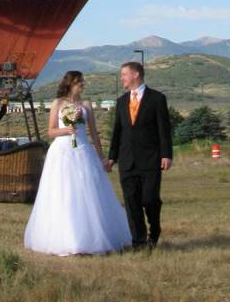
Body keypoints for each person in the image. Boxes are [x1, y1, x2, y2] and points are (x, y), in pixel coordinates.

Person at [24, 71, 131, 256]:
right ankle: (64, 237)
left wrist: (102, 157)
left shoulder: (86, 105)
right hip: (61, 152)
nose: (82, 84)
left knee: (87, 191)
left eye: (82, 81)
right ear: (70, 83)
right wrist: (66, 129)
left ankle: (92, 236)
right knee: (62, 191)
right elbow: (50, 132)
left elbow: (94, 133)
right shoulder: (57, 103)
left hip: (82, 150)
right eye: (79, 82)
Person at [105, 61, 173, 250]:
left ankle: (155, 230)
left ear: (135, 75)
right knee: (131, 202)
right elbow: (117, 132)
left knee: (149, 199)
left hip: (150, 159)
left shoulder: (157, 99)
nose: (122, 78)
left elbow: (164, 130)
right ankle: (139, 242)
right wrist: (112, 157)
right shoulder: (121, 102)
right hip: (127, 161)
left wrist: (166, 154)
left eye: (124, 75)